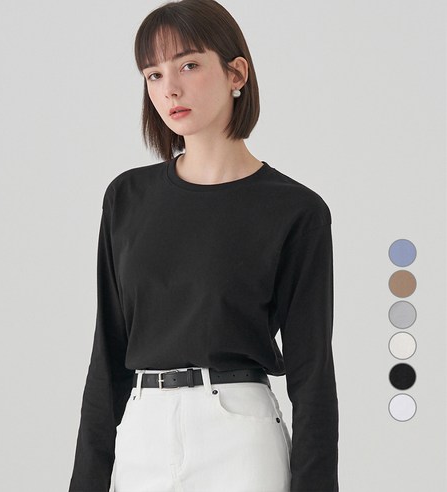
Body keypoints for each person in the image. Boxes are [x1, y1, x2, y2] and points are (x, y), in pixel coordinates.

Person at [68, 0, 339, 491]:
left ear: (237, 73)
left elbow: (312, 374)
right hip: (143, 434)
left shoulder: (296, 211)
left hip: (240, 437)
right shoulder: (127, 198)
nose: (169, 88)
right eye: (153, 75)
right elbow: (106, 356)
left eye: (189, 65)